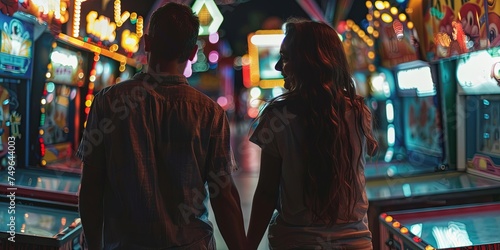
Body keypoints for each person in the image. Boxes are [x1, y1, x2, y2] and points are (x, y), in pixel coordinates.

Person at [77, 3, 246, 249]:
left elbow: (91, 187)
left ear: (148, 42)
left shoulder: (108, 102)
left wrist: (94, 245)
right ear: (192, 53)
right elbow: (224, 196)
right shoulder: (210, 114)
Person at [247, 18, 378, 250]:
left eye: (285, 58)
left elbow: (267, 193)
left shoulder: (277, 118)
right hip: (354, 241)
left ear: (307, 62)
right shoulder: (358, 113)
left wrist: (247, 246)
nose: (278, 67)